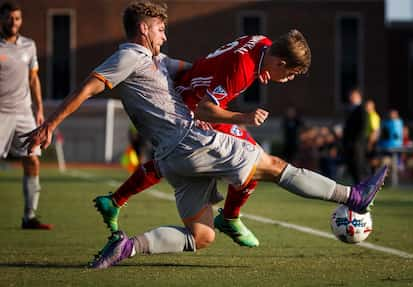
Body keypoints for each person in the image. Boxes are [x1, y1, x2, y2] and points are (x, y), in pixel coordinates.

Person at [22, 0, 387, 269]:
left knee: (202, 236)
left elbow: (196, 69)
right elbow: (89, 86)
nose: (165, 34)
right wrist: (50, 124)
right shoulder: (130, 57)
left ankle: (126, 248)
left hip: (172, 158)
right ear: (144, 29)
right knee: (273, 165)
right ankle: (352, 195)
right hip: (190, 140)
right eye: (161, 28)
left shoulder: (157, 61)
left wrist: (247, 71)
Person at [93, 30, 304, 248]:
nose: (289, 79)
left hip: (192, 93)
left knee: (171, 159)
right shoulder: (243, 67)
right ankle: (230, 218)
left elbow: (239, 60)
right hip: (194, 106)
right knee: (253, 157)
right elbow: (211, 102)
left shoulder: (262, 42)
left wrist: (262, 69)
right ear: (280, 62)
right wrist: (245, 117)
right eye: (291, 74)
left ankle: (116, 200)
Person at [0, 2, 52, 230]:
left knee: (32, 159)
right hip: (0, 113)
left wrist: (39, 109)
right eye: (10, 17)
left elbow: (33, 79)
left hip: (24, 112)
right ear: (2, 19)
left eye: (18, 18)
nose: (14, 22)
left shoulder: (29, 46)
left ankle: (29, 217)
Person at [342, 88, 367, 184]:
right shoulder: (350, 109)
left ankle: (361, 186)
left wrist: (356, 142)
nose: (350, 97)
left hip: (357, 144)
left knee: (358, 165)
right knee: (351, 165)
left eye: (353, 95)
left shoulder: (361, 109)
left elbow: (362, 128)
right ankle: (357, 186)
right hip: (349, 143)